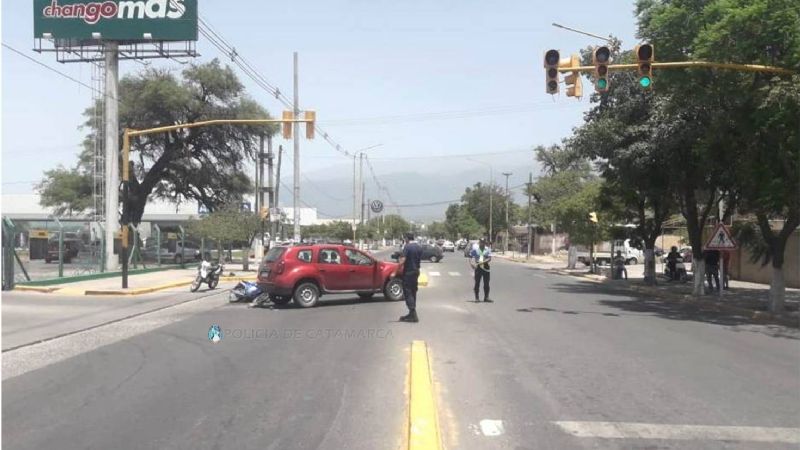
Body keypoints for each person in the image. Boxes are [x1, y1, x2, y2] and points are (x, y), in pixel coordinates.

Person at [395, 232, 423, 322]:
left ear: (407, 238)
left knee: (408, 292)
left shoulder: (407, 247)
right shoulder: (418, 246)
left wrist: (395, 271)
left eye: (404, 238)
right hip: (416, 271)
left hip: (408, 272)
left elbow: (402, 260)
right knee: (413, 291)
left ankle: (413, 313)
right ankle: (411, 313)